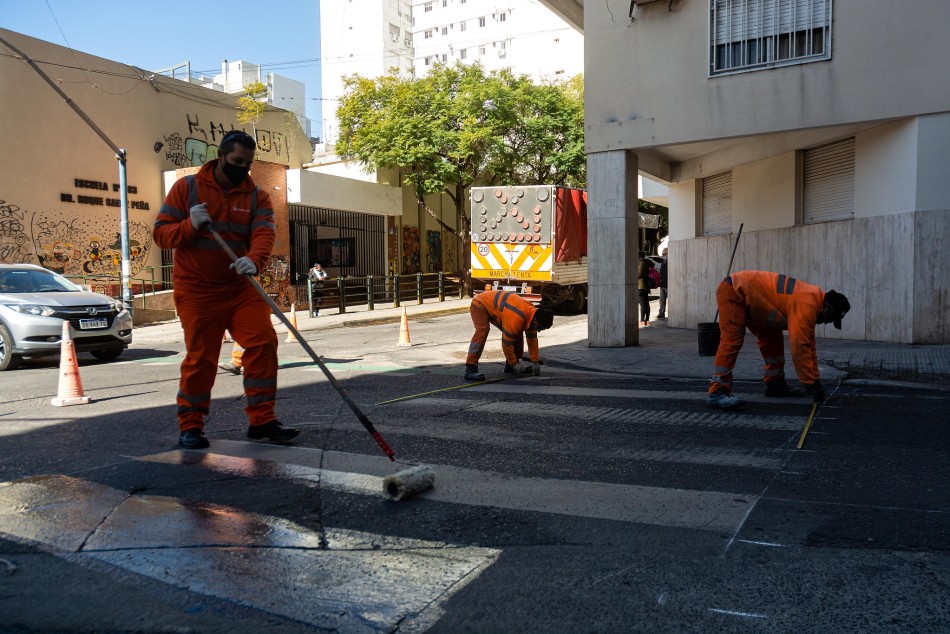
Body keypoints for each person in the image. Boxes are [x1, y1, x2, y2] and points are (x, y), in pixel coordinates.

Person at [154, 129, 299, 448]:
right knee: (202, 358)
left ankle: (262, 420)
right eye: (237, 161)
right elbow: (161, 235)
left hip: (240, 287)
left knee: (263, 343)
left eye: (247, 163)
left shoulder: (257, 196)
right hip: (198, 290)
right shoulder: (187, 189)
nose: (242, 168)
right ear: (220, 156)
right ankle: (191, 426)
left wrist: (254, 260)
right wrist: (190, 225)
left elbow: (264, 233)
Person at [707, 271, 851, 409]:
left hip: (756, 302)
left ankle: (774, 384)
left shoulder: (813, 300)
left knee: (773, 339)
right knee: (732, 340)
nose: (825, 322)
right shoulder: (807, 304)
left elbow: (809, 344)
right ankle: (717, 390)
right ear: (826, 308)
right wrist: (810, 383)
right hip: (734, 291)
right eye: (829, 319)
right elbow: (800, 347)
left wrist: (815, 380)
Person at [464, 290, 555, 381]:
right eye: (539, 328)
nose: (538, 330)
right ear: (535, 321)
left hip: (499, 309)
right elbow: (506, 343)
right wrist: (515, 365)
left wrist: (535, 362)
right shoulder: (517, 316)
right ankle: (470, 367)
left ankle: (510, 366)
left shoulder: (532, 315)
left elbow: (532, 340)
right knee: (483, 330)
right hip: (480, 303)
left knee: (516, 332)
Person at [637, 252, 655, 326]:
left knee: (643, 303)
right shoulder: (647, 262)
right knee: (646, 302)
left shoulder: (642, 263)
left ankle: (642, 320)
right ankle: (646, 320)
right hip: (645, 285)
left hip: (641, 286)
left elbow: (639, 274)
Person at [656, 247, 669, 320]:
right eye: (662, 254)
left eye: (664, 254)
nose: (663, 256)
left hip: (668, 285)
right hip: (662, 284)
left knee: (670, 301)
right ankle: (661, 313)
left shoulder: (670, 262)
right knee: (661, 300)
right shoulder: (663, 263)